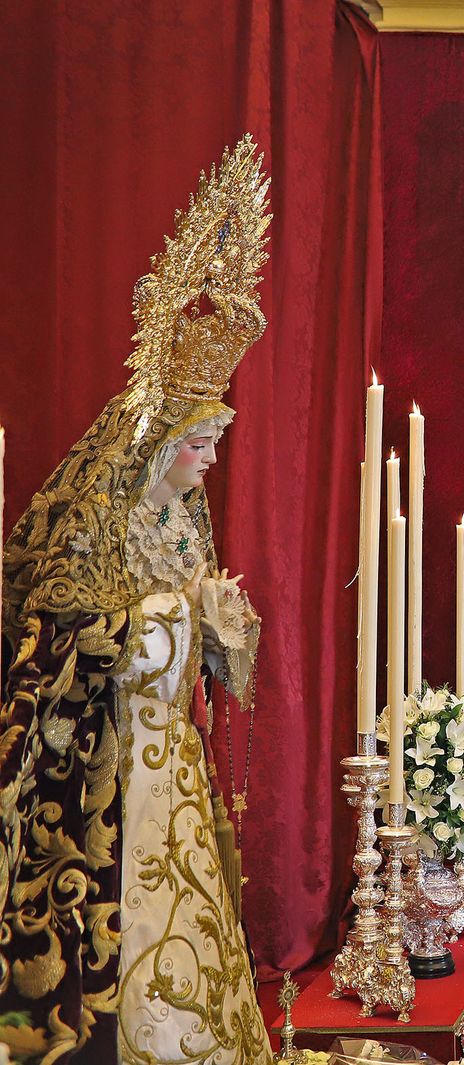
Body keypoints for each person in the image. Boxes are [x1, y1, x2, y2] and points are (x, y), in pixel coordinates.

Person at [0, 138, 272, 1064]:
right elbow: (58, 636)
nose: (210, 459)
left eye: (216, 441)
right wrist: (172, 618)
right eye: (201, 442)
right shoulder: (93, 525)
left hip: (174, 762)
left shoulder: (188, 529)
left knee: (192, 915)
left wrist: (228, 632)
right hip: (109, 773)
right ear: (158, 442)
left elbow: (215, 665)